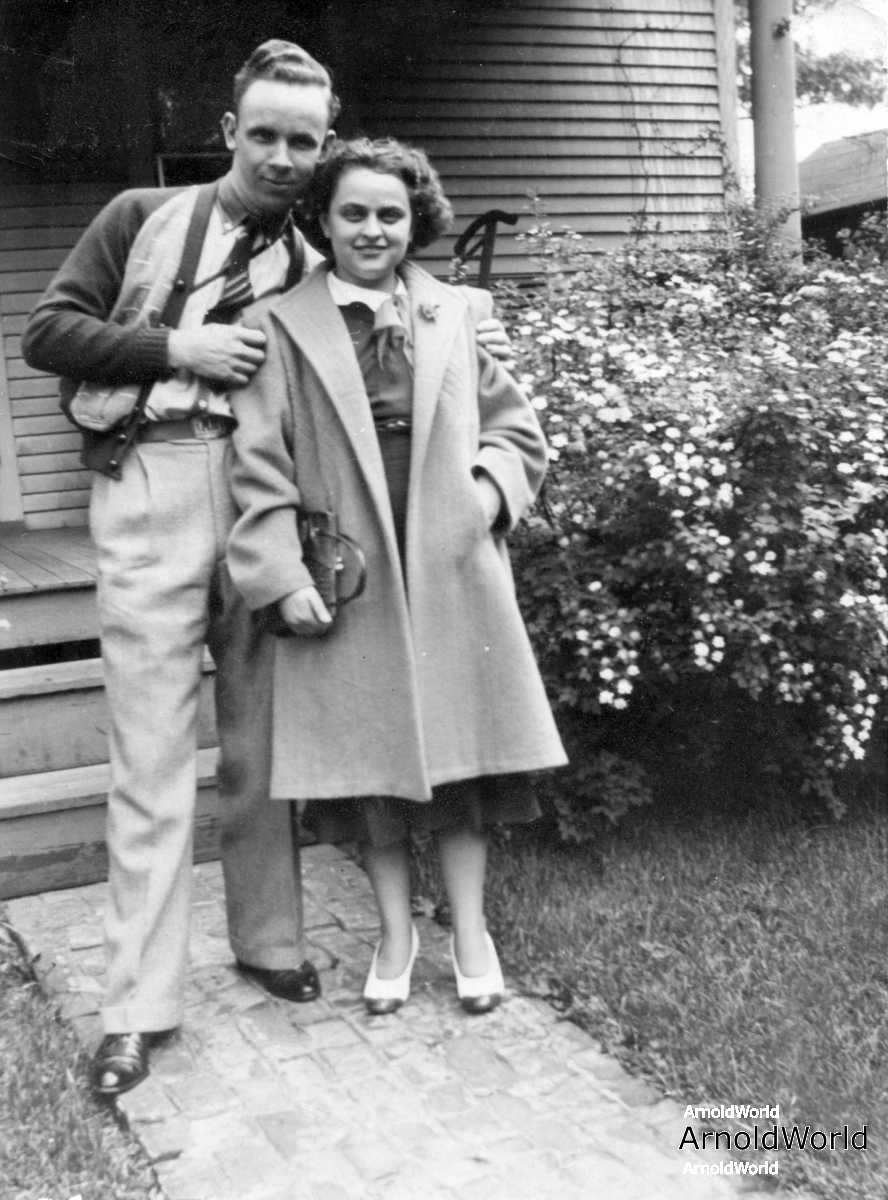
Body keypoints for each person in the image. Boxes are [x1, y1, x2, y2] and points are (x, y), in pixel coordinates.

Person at [21, 40, 517, 1097]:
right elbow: (49, 332)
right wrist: (175, 350)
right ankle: (137, 1009)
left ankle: (270, 943)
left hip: (277, 505)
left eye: (303, 140)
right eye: (264, 136)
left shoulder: (322, 254)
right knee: (151, 754)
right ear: (228, 131)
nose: (283, 158)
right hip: (154, 479)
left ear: (324, 143)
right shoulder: (142, 217)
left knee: (263, 738)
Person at [226, 137, 567, 1019]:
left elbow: (515, 430)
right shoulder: (278, 325)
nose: (372, 230)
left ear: (416, 222)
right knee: (369, 762)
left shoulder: (455, 311)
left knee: (463, 759)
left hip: (449, 560)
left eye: (391, 214)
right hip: (351, 570)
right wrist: (279, 573)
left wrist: (482, 500)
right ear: (323, 220)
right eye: (353, 213)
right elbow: (259, 466)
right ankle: (393, 933)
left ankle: (471, 931)